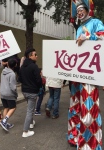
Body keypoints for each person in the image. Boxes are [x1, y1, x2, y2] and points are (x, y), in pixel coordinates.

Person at [68, 0, 104, 149]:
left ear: (88, 9)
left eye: (82, 9)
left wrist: (88, 38)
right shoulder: (78, 28)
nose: (79, 12)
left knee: (89, 109)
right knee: (75, 105)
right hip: (77, 75)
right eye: (78, 10)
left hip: (90, 74)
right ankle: (75, 137)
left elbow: (102, 37)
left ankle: (90, 144)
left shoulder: (96, 22)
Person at [19, 48, 42, 137]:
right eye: (35, 55)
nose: (37, 56)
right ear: (30, 56)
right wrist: (39, 86)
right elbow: (38, 80)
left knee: (30, 108)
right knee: (30, 110)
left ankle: (31, 123)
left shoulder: (22, 67)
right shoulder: (34, 67)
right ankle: (25, 131)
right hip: (32, 91)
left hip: (24, 91)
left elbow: (19, 79)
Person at [0, 58, 18, 132]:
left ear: (8, 64)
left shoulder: (2, 72)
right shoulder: (12, 74)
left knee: (6, 107)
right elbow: (13, 87)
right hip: (9, 93)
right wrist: (15, 94)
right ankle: (4, 121)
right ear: (15, 65)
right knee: (13, 108)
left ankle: (5, 122)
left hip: (2, 92)